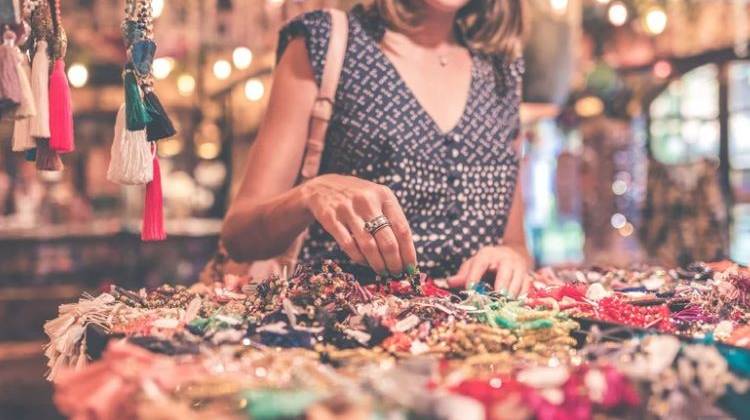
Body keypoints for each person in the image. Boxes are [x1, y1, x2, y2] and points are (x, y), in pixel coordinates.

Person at [221, 0, 533, 296]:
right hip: (342, 334)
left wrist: (509, 258)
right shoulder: (327, 40)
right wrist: (311, 194)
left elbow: (516, 243)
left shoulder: (501, 68)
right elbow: (239, 236)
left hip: (475, 340)